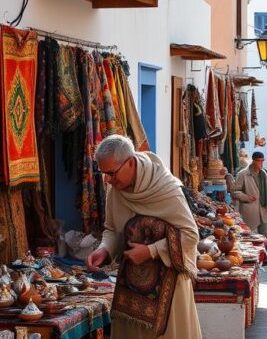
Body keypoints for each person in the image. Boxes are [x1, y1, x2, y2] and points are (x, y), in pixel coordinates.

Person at [86, 136, 201, 339]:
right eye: (103, 173)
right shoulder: (116, 191)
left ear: (130, 162)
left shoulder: (166, 189)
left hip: (169, 288)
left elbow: (190, 235)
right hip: (131, 289)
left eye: (111, 173)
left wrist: (150, 251)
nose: (107, 180)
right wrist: (104, 250)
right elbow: (112, 229)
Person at [233, 152, 267, 238]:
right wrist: (245, 197)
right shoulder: (243, 174)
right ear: (253, 161)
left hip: (264, 211)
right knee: (252, 238)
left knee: (264, 237)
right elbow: (235, 191)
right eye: (259, 161)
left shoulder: (264, 173)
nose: (261, 163)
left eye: (263, 161)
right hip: (250, 211)